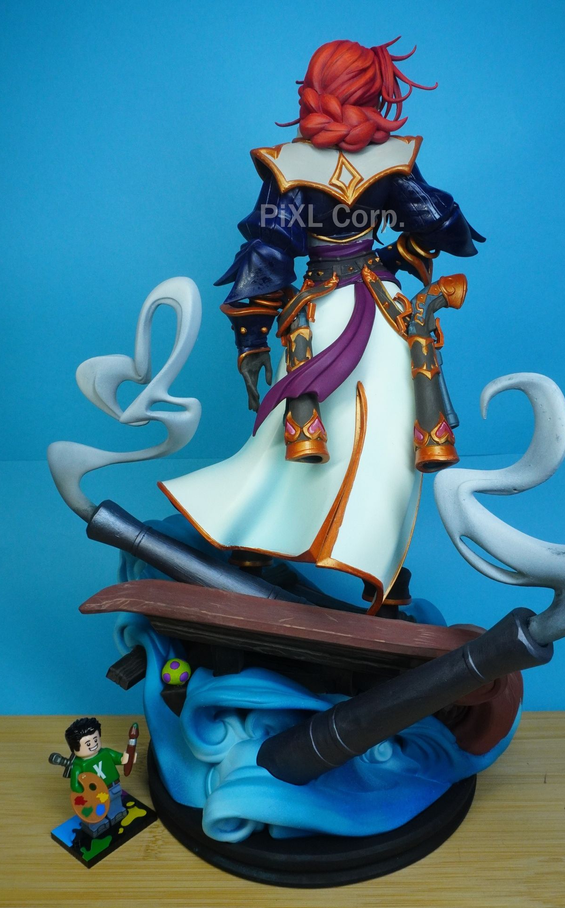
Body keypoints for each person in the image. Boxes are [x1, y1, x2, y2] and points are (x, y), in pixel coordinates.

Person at [159, 38, 484, 612]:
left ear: (315, 89)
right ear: (373, 91)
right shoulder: (392, 160)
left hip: (319, 315)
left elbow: (267, 254)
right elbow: (447, 231)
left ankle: (256, 547)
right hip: (382, 314)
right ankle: (379, 574)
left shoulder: (290, 164)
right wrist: (393, 252)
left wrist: (251, 340)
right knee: (383, 442)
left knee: (300, 441)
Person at [65, 717, 133, 838]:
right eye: (88, 743)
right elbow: (74, 785)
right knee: (96, 810)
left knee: (115, 802)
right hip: (94, 795)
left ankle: (116, 813)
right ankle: (96, 824)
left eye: (95, 739)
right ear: (75, 747)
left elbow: (119, 758)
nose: (93, 744)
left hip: (112, 786)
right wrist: (85, 794)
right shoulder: (79, 766)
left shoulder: (105, 753)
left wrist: (127, 757)